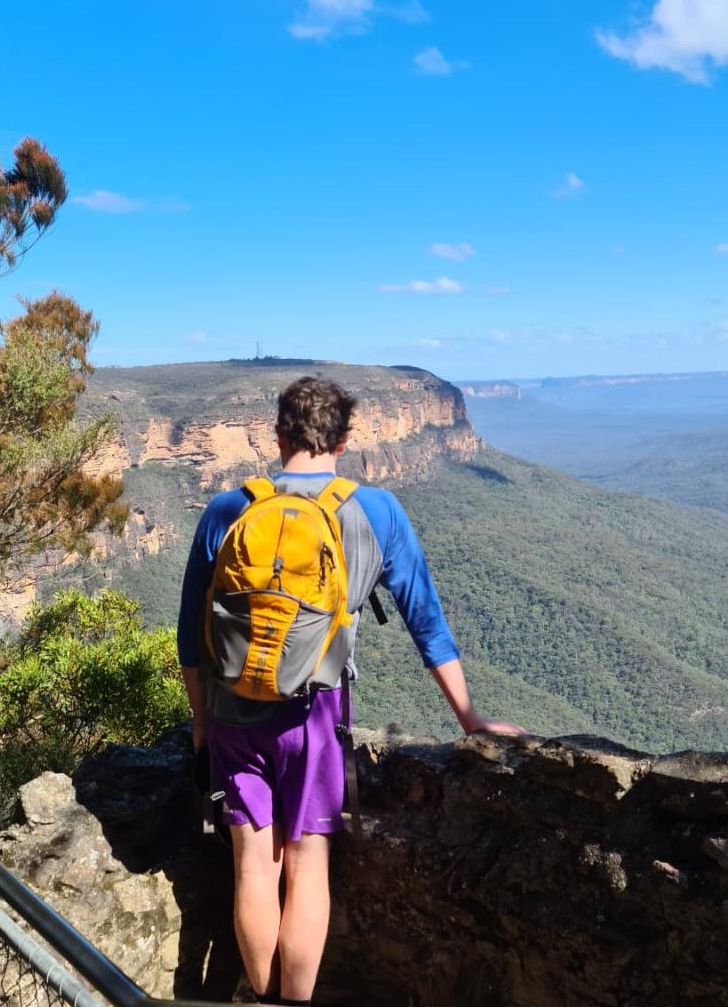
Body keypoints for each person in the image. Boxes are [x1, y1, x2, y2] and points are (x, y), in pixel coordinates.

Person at [177, 375, 522, 1007]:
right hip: (317, 717)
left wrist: (202, 723)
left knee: (253, 865)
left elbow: (190, 636)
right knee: (309, 867)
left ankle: (257, 998)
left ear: (278, 433)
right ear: (346, 438)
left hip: (232, 715)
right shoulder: (376, 511)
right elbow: (426, 622)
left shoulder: (228, 509)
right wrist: (469, 717)